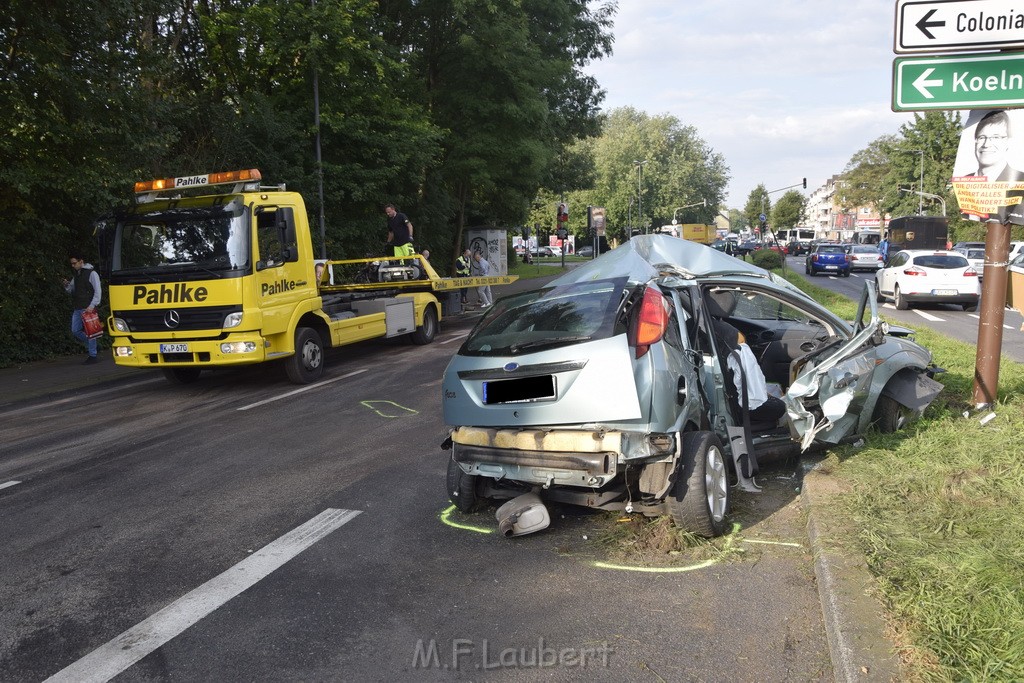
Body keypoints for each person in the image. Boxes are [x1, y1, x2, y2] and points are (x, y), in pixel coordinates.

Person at [64, 251, 102, 364]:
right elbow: (71, 290)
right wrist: (66, 285)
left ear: (81, 261)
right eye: (72, 263)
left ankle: (93, 355)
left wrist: (92, 306)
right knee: (75, 331)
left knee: (91, 332)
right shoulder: (77, 275)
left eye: (74, 263)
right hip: (78, 307)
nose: (73, 265)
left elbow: (98, 291)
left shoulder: (92, 273)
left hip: (88, 307)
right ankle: (94, 346)